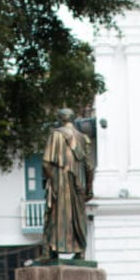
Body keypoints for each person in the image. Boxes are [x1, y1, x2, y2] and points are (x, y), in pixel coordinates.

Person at [42, 108, 95, 259]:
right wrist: (89, 189)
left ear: (60, 119)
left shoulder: (56, 134)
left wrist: (53, 180)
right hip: (79, 184)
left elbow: (46, 163)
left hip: (60, 180)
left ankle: (50, 251)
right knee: (78, 216)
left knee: (55, 215)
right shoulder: (84, 138)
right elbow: (89, 167)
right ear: (72, 119)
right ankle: (81, 252)